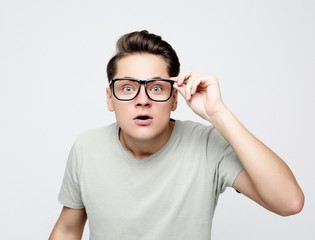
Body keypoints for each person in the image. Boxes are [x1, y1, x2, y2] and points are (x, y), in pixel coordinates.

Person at [49, 30, 304, 240]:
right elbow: (67, 230)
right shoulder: (86, 148)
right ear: (110, 99)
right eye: (127, 88)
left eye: (156, 88)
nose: (142, 100)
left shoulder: (207, 145)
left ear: (174, 99)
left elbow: (289, 202)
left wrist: (218, 113)